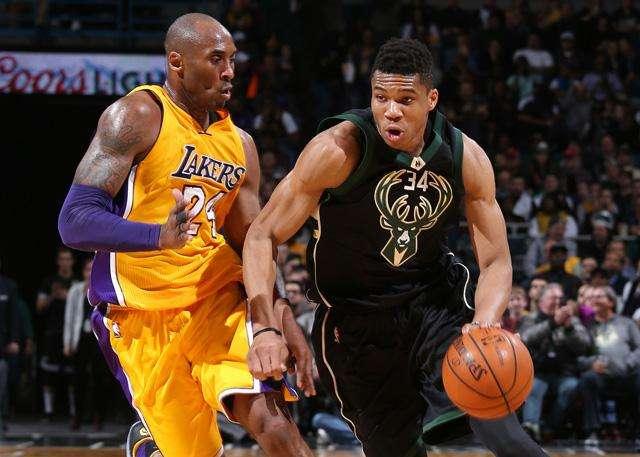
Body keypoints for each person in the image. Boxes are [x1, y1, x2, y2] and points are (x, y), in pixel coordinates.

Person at [243, 38, 547, 457]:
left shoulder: (464, 157)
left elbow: (495, 260)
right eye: (380, 97)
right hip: (355, 321)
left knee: (492, 404)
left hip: (432, 302)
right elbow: (262, 235)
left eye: (405, 100)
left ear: (431, 100)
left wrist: (486, 320)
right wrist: (265, 327)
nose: (391, 111)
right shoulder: (337, 150)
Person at [58, 13, 315, 457]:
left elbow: (251, 244)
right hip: (140, 316)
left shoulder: (241, 145)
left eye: (232, 59)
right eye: (216, 59)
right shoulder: (138, 115)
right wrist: (156, 236)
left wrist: (280, 315)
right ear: (177, 62)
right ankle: (150, 443)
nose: (229, 71)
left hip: (216, 301)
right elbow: (74, 220)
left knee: (272, 423)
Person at [519, 283, 591, 441]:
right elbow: (525, 338)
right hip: (537, 372)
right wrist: (552, 323)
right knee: (532, 387)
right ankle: (531, 427)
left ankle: (551, 427)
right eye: (553, 298)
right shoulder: (531, 318)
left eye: (560, 298)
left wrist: (569, 328)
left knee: (571, 388)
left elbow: (584, 345)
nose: (558, 301)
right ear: (541, 301)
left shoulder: (572, 321)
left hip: (564, 373)